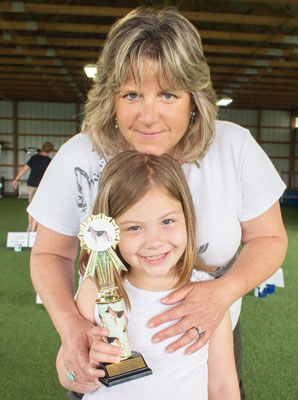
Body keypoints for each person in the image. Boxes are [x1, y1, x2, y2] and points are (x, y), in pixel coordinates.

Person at [28, 7, 287, 399]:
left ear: (194, 99)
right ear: (110, 98)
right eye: (132, 94)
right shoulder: (79, 155)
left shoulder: (233, 146)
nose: (148, 116)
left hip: (206, 338)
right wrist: (71, 327)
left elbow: (269, 239)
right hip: (106, 343)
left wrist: (219, 295)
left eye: (168, 94)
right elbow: (51, 255)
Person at [56, 151, 241, 400]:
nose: (154, 241)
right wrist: (83, 372)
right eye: (134, 227)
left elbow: (223, 386)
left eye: (167, 221)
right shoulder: (95, 288)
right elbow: (67, 374)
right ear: (110, 231)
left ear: (187, 218)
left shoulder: (209, 296)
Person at [12, 141, 54, 232]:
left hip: (31, 184)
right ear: (50, 151)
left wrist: (16, 179)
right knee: (39, 207)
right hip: (42, 186)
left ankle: (30, 226)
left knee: (31, 205)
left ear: (42, 148)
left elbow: (24, 169)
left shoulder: (34, 158)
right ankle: (35, 227)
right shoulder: (49, 161)